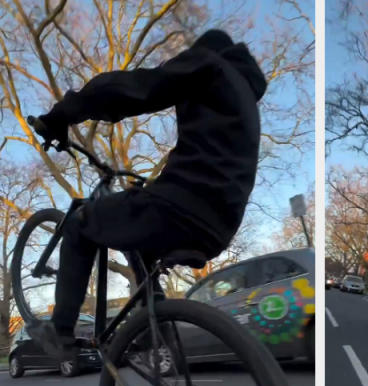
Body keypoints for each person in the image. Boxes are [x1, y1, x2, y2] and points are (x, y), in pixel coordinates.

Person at [27, 29, 267, 360]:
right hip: (220, 226)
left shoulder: (210, 65)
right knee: (139, 240)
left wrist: (63, 114)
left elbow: (135, 89)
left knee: (80, 224)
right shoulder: (247, 103)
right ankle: (154, 329)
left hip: (183, 205)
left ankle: (60, 331)